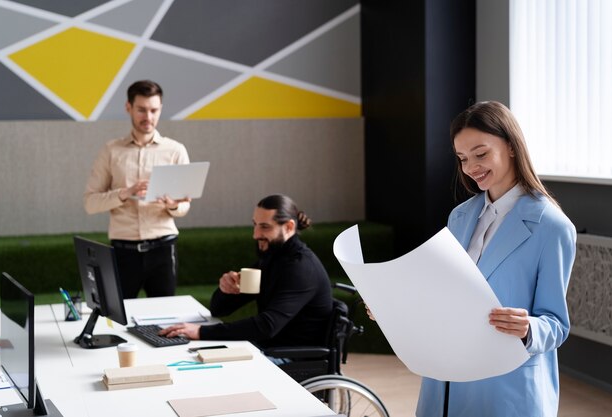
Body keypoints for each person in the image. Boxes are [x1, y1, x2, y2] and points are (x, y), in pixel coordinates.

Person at [368, 101, 576, 417]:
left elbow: (556, 325)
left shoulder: (551, 225)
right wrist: (394, 307)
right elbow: (447, 295)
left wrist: (527, 326)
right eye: (463, 158)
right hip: (447, 378)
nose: (470, 167)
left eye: (480, 154)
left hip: (506, 385)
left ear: (510, 146)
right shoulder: (461, 216)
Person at [160, 194, 333, 349]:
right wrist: (225, 290)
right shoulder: (272, 257)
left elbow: (267, 326)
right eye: (255, 225)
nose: (255, 234)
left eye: (265, 227)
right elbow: (219, 310)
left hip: (290, 357)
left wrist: (201, 332)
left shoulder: (301, 267)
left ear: (288, 227)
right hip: (266, 348)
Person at [84, 80, 191, 299]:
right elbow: (90, 203)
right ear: (128, 108)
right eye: (142, 110)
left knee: (165, 320)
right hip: (123, 251)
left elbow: (184, 206)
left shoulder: (175, 151)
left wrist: (173, 205)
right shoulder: (111, 151)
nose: (148, 117)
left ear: (160, 109)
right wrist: (124, 192)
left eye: (154, 110)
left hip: (163, 247)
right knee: (118, 318)